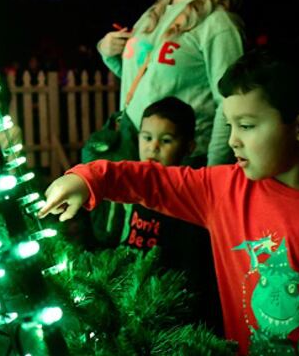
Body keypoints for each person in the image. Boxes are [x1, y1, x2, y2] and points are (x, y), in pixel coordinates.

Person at [39, 48, 299, 355]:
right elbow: (151, 180)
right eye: (230, 124)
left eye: (248, 126)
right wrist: (87, 178)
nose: (233, 140)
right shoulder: (223, 190)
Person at [95, 0, 244, 166]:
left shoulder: (219, 24)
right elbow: (149, 80)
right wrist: (107, 52)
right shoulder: (153, 15)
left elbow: (228, 103)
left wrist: (214, 172)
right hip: (135, 150)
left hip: (181, 162)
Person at [91, 96, 223, 333]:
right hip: (132, 296)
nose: (153, 147)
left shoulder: (187, 194)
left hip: (168, 307)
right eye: (147, 137)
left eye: (166, 140)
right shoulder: (134, 186)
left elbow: (192, 264)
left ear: (188, 147)